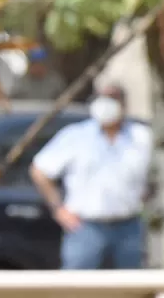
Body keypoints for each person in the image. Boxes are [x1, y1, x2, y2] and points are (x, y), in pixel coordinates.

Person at [30, 84, 153, 270]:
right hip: (85, 228)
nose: (106, 104)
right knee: (77, 292)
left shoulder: (141, 137)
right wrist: (58, 209)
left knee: (129, 292)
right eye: (101, 98)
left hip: (129, 227)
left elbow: (155, 176)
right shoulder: (76, 135)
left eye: (112, 99)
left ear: (124, 104)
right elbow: (39, 170)